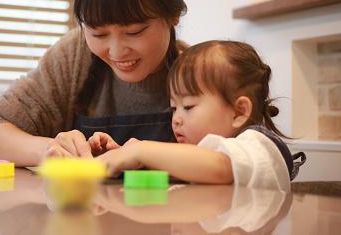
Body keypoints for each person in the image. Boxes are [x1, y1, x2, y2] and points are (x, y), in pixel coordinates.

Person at [0, 0, 188, 166]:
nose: (117, 51)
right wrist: (50, 149)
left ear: (173, 16)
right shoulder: (75, 54)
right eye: (98, 34)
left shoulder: (199, 71)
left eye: (135, 31)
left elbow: (223, 159)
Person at [93, 41, 306, 191]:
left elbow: (221, 168)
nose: (176, 119)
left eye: (188, 106)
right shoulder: (201, 156)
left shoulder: (259, 147)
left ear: (239, 111)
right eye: (173, 108)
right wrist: (122, 157)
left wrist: (141, 150)